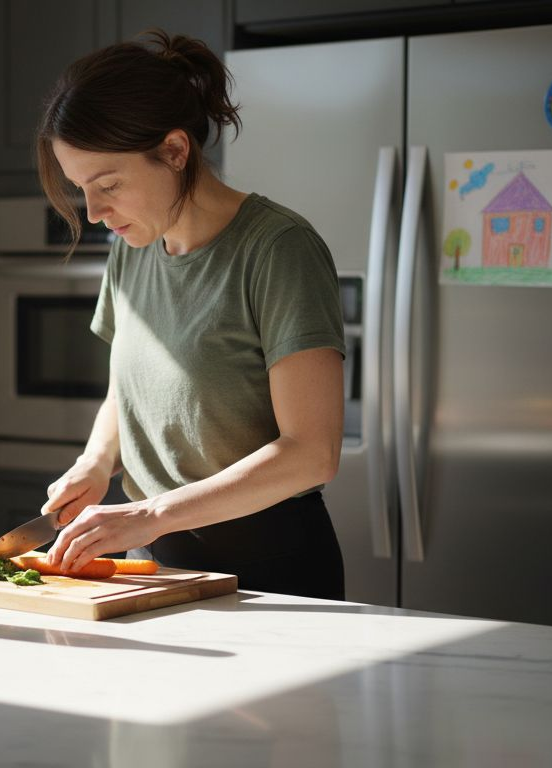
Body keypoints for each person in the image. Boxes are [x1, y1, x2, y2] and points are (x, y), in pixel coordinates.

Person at [35, 30, 347, 599]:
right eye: (82, 189)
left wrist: (151, 514)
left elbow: (312, 453)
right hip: (153, 560)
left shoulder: (277, 249)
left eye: (108, 184)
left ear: (176, 151)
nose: (96, 211)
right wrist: (95, 462)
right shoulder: (132, 249)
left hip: (271, 570)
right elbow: (129, 389)